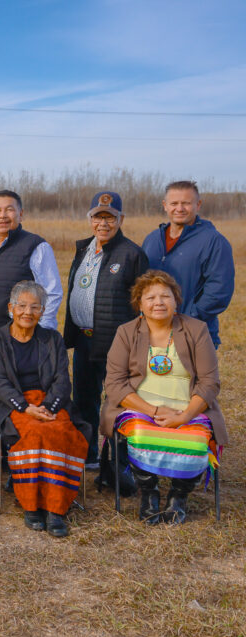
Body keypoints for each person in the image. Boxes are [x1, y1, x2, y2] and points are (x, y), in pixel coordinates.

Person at [102, 271, 226, 525]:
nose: (158, 302)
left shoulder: (196, 330)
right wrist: (153, 411)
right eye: (150, 297)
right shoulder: (126, 332)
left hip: (189, 406)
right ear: (139, 304)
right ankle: (149, 493)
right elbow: (114, 384)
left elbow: (209, 382)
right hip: (139, 406)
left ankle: (178, 497)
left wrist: (184, 416)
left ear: (176, 301)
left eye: (165, 296)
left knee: (195, 439)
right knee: (142, 434)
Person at [0, 281, 89, 538]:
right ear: (11, 308)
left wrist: (48, 407)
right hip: (13, 404)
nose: (27, 312)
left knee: (62, 433)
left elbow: (62, 381)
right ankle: (31, 505)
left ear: (42, 311)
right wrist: (25, 407)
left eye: (34, 307)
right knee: (33, 433)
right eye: (21, 306)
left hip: (50, 402)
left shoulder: (52, 339)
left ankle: (55, 508)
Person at [0, 190, 62, 473]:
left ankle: (20, 451)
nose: (3, 215)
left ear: (20, 214)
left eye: (9, 210)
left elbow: (52, 293)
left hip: (20, 341)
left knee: (19, 393)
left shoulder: (35, 246)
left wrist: (39, 337)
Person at [63, 191, 147, 478]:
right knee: (84, 399)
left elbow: (141, 302)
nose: (103, 223)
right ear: (90, 219)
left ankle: (117, 464)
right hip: (85, 340)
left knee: (118, 401)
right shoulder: (84, 249)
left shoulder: (132, 254)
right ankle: (87, 455)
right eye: (98, 217)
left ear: (120, 219)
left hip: (116, 342)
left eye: (110, 218)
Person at [140, 180, 234, 349]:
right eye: (174, 203)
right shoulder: (152, 239)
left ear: (198, 205)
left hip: (194, 335)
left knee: (191, 377)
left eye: (186, 203)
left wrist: (188, 318)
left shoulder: (214, 241)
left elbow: (219, 290)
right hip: (153, 333)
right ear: (165, 205)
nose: (180, 208)